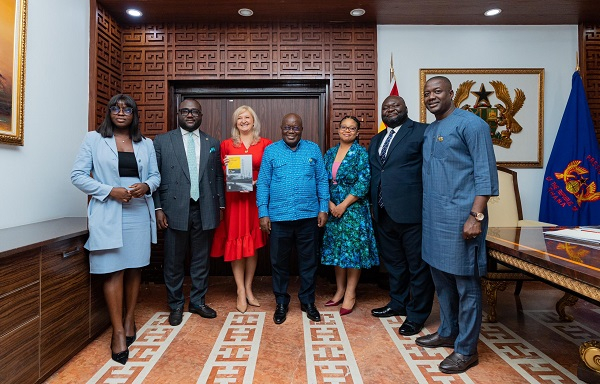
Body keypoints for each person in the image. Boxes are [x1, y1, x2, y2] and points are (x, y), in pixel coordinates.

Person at [415, 76, 498, 374]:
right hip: (434, 218)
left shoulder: (472, 124)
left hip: (462, 219)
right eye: (427, 93)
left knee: (466, 284)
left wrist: (475, 216)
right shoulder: (432, 129)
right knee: (442, 281)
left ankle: (466, 349)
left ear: (451, 93)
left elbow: (485, 173)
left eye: (437, 91)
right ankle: (448, 331)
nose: (431, 97)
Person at [71, 94, 161, 365]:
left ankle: (130, 318)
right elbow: (77, 175)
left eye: (127, 109)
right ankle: (118, 332)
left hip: (137, 211)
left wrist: (146, 187)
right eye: (116, 108)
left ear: (134, 114)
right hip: (109, 210)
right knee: (113, 269)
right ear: (108, 112)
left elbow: (155, 176)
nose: (121, 113)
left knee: (134, 267)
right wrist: (110, 191)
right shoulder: (93, 139)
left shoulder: (146, 144)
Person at [152, 99, 225, 326]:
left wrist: (220, 205)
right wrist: (158, 208)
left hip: (205, 208)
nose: (190, 115)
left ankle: (197, 302)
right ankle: (175, 305)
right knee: (173, 260)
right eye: (185, 111)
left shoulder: (212, 142)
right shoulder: (163, 141)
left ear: (201, 115)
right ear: (178, 114)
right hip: (174, 209)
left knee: (201, 260)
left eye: (194, 111)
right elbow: (154, 176)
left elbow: (218, 177)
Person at [368, 95, 434, 336]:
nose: (390, 109)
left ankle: (416, 315)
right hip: (383, 212)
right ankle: (398, 303)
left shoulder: (422, 132)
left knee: (418, 266)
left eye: (395, 105)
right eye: (386, 107)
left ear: (406, 108)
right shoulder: (376, 139)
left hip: (412, 212)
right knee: (394, 265)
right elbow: (379, 172)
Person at [256, 113, 329, 325]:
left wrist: (323, 207)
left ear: (302, 129)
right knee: (279, 263)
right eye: (287, 127)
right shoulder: (271, 151)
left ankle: (308, 301)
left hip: (308, 217)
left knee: (309, 262)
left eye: (295, 128)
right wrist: (263, 212)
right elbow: (263, 184)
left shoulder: (313, 149)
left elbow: (322, 180)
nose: (291, 131)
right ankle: (281, 302)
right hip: (279, 218)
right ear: (281, 128)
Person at [210, 105, 272, 313]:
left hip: (255, 198)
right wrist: (226, 165)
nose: (244, 121)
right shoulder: (226, 145)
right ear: (235, 122)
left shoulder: (265, 144)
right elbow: (220, 173)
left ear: (254, 121)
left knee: (252, 243)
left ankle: (248, 288)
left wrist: (257, 181)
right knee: (236, 241)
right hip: (235, 199)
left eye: (247, 117)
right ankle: (239, 290)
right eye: (239, 118)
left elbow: (269, 171)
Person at [320, 116, 378, 316]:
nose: (347, 131)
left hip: (353, 209)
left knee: (352, 252)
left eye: (351, 128)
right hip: (333, 208)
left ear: (357, 132)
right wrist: (330, 204)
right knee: (337, 251)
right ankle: (339, 290)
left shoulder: (361, 153)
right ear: (338, 129)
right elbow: (321, 181)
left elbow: (363, 182)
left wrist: (343, 205)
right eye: (344, 127)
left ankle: (350, 293)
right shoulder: (330, 153)